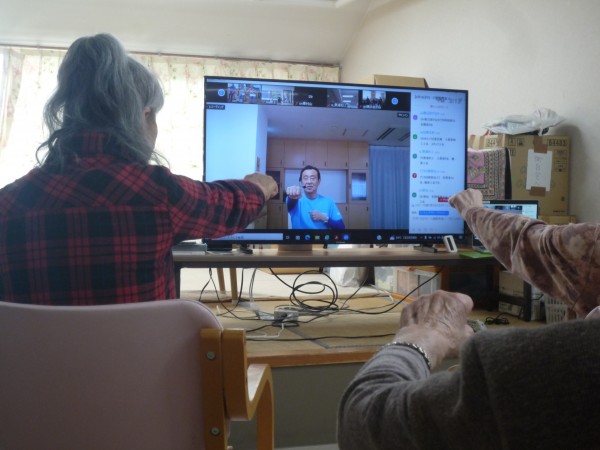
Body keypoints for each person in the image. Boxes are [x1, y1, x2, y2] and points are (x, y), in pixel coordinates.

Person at [0, 33, 278, 305]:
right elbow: (226, 205)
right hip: (142, 340)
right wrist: (259, 186)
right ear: (144, 116)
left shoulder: (8, 203)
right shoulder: (158, 193)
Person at [337, 188, 600, 449]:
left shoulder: (565, 365)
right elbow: (527, 241)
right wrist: (473, 211)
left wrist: (422, 336)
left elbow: (365, 422)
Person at [285, 165, 345, 229]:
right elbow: (291, 202)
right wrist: (292, 194)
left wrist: (324, 218)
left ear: (319, 182)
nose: (309, 182)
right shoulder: (295, 199)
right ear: (301, 183)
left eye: (313, 178)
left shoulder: (329, 202)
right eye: (305, 178)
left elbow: (341, 227)